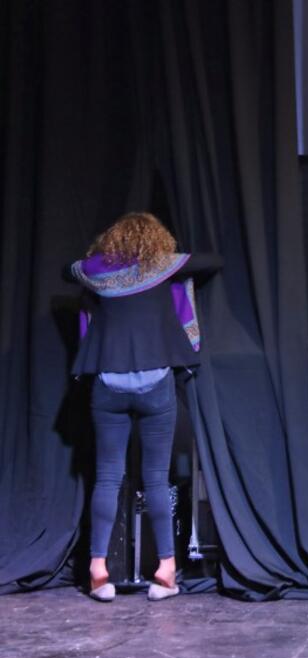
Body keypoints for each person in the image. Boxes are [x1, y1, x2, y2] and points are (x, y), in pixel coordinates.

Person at [67, 212, 222, 601]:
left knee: (106, 477)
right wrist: (166, 267)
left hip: (108, 384)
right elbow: (213, 262)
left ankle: (98, 571)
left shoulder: (95, 272)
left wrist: (104, 262)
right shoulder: (162, 266)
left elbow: (67, 270)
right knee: (156, 478)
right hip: (155, 383)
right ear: (155, 240)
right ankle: (166, 572)